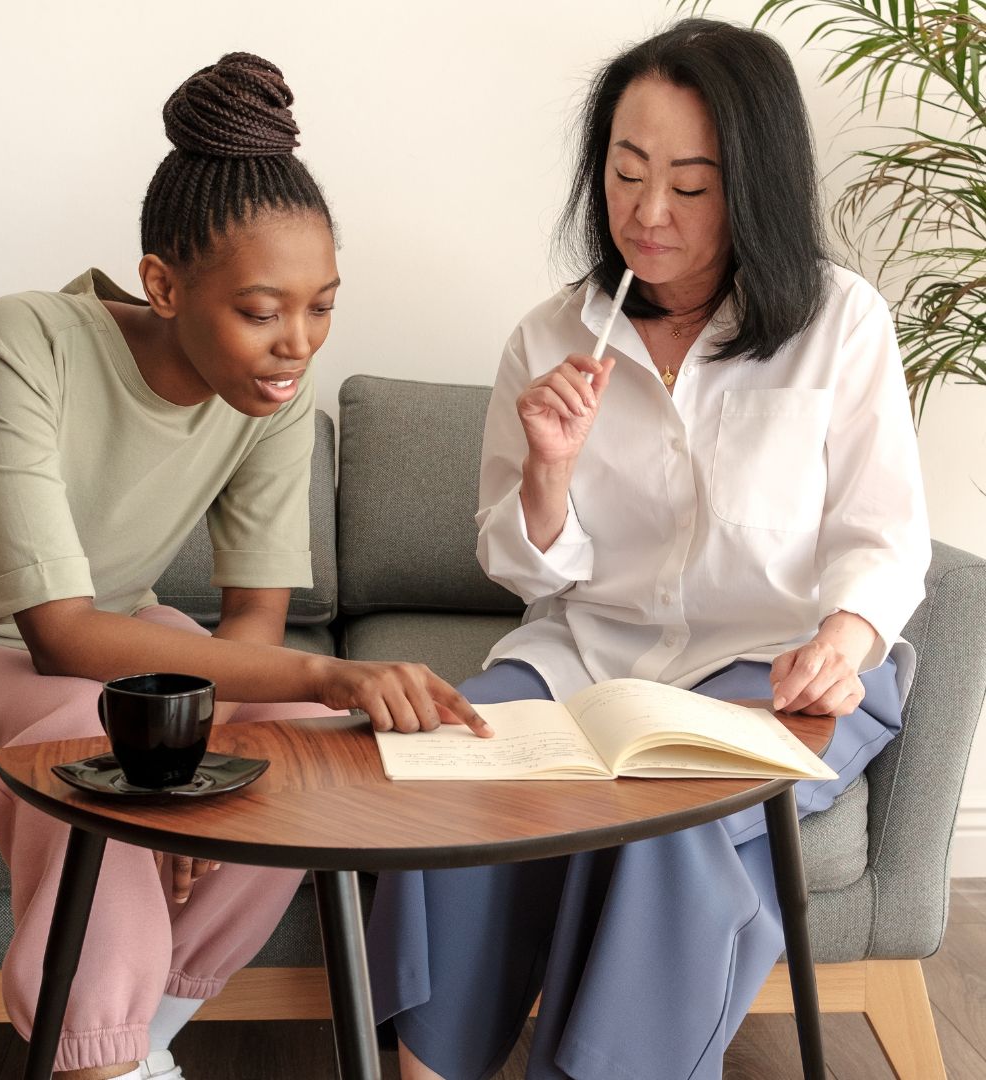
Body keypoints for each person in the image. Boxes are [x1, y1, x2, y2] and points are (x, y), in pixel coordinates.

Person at [366, 18, 931, 1080]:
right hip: (587, 663)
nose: (648, 212)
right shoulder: (550, 336)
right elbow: (523, 573)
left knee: (664, 826)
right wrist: (547, 469)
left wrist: (846, 637)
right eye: (626, 174)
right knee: (460, 774)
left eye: (690, 183)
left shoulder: (841, 323)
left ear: (753, 183)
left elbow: (884, 531)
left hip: (780, 672)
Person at [0, 53, 488, 1080]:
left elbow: (255, 629)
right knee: (91, 730)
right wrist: (316, 674)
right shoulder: (26, 340)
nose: (295, 343)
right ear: (164, 284)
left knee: (306, 739)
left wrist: (204, 755)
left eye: (321, 308)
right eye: (262, 311)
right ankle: (102, 1054)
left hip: (105, 660)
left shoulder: (275, 390)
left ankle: (133, 1050)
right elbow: (62, 636)